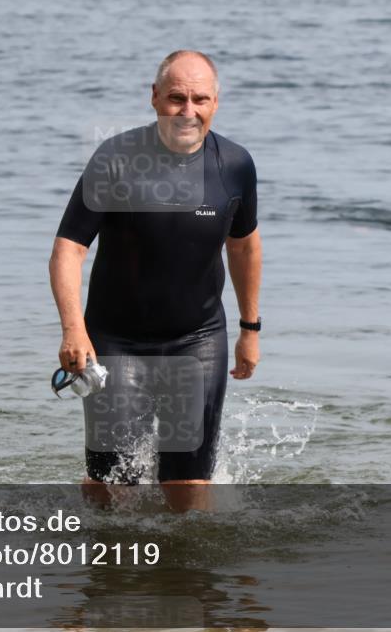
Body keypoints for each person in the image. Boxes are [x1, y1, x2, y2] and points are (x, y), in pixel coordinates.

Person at [49, 50, 262, 512]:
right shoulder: (116, 160)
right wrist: (73, 329)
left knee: (187, 488)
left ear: (216, 102)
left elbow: (244, 245)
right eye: (176, 99)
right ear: (154, 98)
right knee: (112, 484)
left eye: (199, 99)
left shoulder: (235, 166)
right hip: (115, 339)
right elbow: (69, 248)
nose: (188, 111)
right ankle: (106, 573)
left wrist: (250, 328)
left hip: (197, 340)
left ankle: (182, 580)